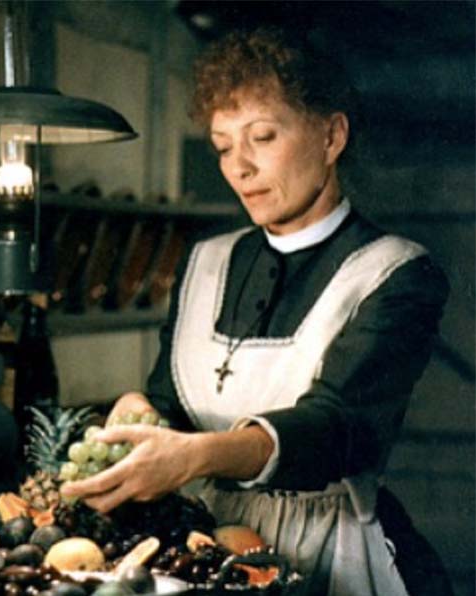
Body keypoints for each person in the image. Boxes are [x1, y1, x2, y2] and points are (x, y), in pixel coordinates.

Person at [61, 27, 451, 595]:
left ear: (331, 135)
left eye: (262, 137)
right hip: (207, 544)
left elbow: (337, 428)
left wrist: (196, 458)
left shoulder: (396, 273)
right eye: (222, 146)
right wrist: (141, 408)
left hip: (334, 550)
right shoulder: (204, 262)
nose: (238, 166)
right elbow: (171, 400)